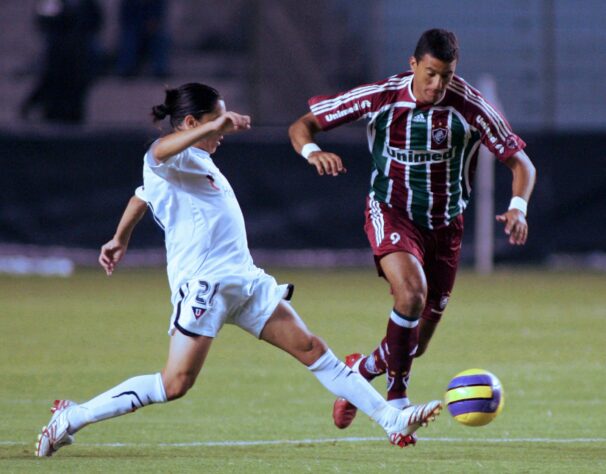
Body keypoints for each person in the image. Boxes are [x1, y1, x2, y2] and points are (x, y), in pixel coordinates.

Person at [35, 83, 442, 457]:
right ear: (192, 123)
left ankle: (392, 419)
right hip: (205, 286)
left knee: (312, 349)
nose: (224, 133)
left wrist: (119, 238)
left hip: (244, 281)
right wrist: (215, 129)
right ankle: (71, 418)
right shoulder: (171, 156)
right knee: (174, 384)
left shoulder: (193, 160)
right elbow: (156, 155)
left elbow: (142, 195)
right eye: (218, 123)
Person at [288, 29, 536, 430]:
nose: (438, 85)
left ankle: (361, 369)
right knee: (412, 293)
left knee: (415, 344)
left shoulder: (470, 106)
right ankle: (398, 403)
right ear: (413, 65)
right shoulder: (382, 96)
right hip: (392, 211)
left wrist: (518, 209)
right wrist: (314, 152)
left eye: (448, 76)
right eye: (431, 74)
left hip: (445, 227)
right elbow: (302, 125)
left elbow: (522, 163)